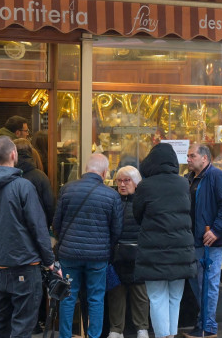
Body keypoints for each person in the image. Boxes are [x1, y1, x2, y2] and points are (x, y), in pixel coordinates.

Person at [0, 136, 54, 337]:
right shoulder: (23, 186)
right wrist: (49, 261)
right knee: (23, 325)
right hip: (25, 265)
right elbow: (38, 227)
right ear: (14, 154)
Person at [53, 154, 123, 338]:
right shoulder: (112, 195)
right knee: (96, 298)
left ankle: (66, 335)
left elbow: (57, 223)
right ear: (105, 172)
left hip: (69, 254)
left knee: (67, 296)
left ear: (86, 168)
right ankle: (94, 335)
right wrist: (107, 247)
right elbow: (116, 230)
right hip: (97, 256)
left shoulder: (67, 190)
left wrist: (65, 240)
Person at [134, 143, 197, 338]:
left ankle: (164, 336)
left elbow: (138, 215)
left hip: (154, 250)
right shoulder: (183, 183)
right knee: (175, 297)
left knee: (156, 297)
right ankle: (171, 334)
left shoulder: (145, 185)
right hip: (181, 249)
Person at [185, 144, 222, 338]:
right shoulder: (190, 179)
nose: (188, 159)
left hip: (210, 242)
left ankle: (208, 327)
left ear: (204, 158)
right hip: (193, 240)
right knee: (197, 284)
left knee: (208, 284)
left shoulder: (218, 177)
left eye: (192, 156)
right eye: (188, 156)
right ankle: (203, 322)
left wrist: (216, 231)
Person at [14, 138, 55, 335]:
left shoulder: (8, 177)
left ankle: (14, 320)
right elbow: (49, 206)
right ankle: (36, 321)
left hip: (11, 237)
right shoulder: (39, 177)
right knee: (35, 278)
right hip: (35, 236)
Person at [107, 166, 150, 338]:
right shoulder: (112, 200)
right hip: (117, 255)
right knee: (115, 294)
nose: (122, 184)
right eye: (119, 180)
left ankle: (142, 328)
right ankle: (116, 330)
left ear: (136, 182)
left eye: (127, 180)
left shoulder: (143, 201)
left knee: (140, 294)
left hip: (138, 255)